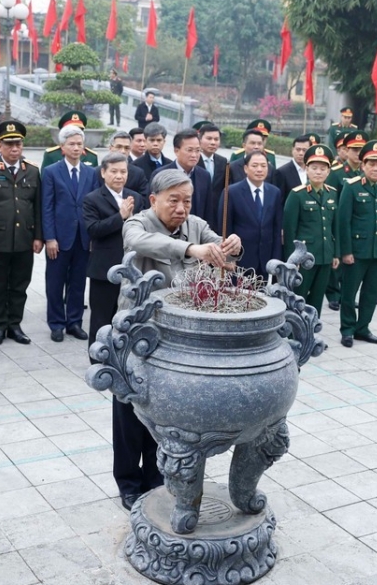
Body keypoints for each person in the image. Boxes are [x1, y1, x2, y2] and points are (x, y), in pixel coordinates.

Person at [119, 170, 242, 509]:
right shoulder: (137, 223)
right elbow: (139, 243)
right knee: (130, 410)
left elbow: (221, 250)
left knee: (168, 411)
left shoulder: (198, 225)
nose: (181, 208)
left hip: (179, 336)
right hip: (139, 332)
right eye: (173, 200)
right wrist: (192, 249)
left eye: (186, 201)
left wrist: (232, 246)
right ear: (153, 199)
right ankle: (128, 482)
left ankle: (158, 478)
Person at [0, 120, 43, 347]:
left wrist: (38, 237)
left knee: (19, 285)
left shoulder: (32, 171)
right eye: (9, 144)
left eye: (18, 144)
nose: (15, 149)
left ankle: (15, 325)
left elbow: (38, 207)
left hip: (24, 239)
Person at [83, 152, 144, 350]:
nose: (119, 176)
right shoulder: (92, 199)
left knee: (127, 316)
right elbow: (94, 230)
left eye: (123, 171)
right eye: (114, 171)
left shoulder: (134, 197)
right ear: (103, 173)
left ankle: (122, 354)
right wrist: (121, 216)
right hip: (104, 268)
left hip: (132, 267)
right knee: (101, 318)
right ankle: (98, 356)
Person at [338, 140, 377, 348]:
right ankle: (347, 329)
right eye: (371, 164)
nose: (375, 168)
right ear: (363, 165)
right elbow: (343, 221)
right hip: (356, 251)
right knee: (349, 292)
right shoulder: (351, 187)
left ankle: (363, 328)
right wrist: (345, 251)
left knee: (371, 293)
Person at [41, 125, 95, 342]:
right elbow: (47, 206)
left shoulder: (92, 173)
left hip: (83, 237)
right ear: (62, 147)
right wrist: (49, 238)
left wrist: (92, 236)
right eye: (71, 144)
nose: (75, 148)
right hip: (59, 238)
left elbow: (93, 206)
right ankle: (56, 324)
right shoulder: (51, 171)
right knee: (55, 282)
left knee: (78, 282)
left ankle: (74, 322)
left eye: (79, 144)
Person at [283, 144, 340, 317]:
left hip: (324, 255)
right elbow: (289, 230)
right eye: (314, 168)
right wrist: (292, 260)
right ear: (306, 169)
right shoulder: (297, 194)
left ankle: (312, 333)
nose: (318, 172)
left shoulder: (332, 193)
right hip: (304, 257)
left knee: (317, 298)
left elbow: (334, 227)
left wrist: (335, 254)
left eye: (323, 168)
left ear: (329, 171)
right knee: (299, 297)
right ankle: (295, 335)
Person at [218, 150, 282, 279]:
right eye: (255, 165)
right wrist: (229, 258)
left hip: (264, 259)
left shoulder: (274, 192)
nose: (259, 169)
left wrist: (276, 260)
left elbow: (276, 229)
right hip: (240, 259)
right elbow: (225, 228)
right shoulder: (231, 192)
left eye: (263, 166)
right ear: (246, 169)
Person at [324, 131, 366, 311]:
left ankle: (346, 294)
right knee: (337, 259)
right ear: (346, 151)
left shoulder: (364, 173)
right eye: (354, 150)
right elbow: (329, 196)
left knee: (351, 260)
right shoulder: (337, 173)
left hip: (355, 223)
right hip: (337, 221)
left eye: (360, 150)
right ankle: (333, 293)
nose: (357, 153)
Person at [159, 129, 213, 223]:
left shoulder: (204, 176)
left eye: (198, 150)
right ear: (176, 151)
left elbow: (208, 211)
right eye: (189, 150)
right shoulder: (162, 174)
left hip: (196, 232)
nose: (194, 155)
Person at [105, 132, 149, 204]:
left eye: (127, 148)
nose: (123, 151)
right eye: (119, 147)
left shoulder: (138, 174)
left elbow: (144, 200)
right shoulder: (98, 172)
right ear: (110, 148)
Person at [275, 134, 312, 205]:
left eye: (304, 150)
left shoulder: (312, 171)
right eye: (298, 149)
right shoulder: (282, 172)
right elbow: (279, 201)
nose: (301, 153)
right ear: (292, 150)